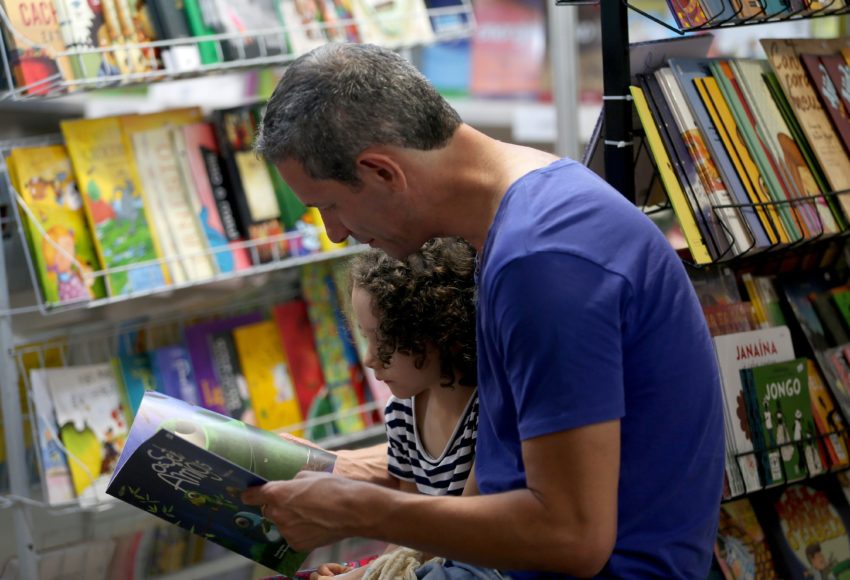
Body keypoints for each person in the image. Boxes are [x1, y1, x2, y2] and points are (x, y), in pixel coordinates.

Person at [243, 42, 725, 578]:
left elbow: (572, 537)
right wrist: (349, 474)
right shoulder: (534, 204)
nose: (335, 233)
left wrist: (361, 511)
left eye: (328, 206)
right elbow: (515, 463)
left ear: (381, 171)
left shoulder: (542, 260)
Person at [312, 236, 479, 580]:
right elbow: (410, 533)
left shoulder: (485, 415)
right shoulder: (401, 412)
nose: (370, 358)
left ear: (436, 333)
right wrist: (368, 571)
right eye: (364, 337)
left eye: (385, 340)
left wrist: (360, 578)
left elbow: (457, 539)